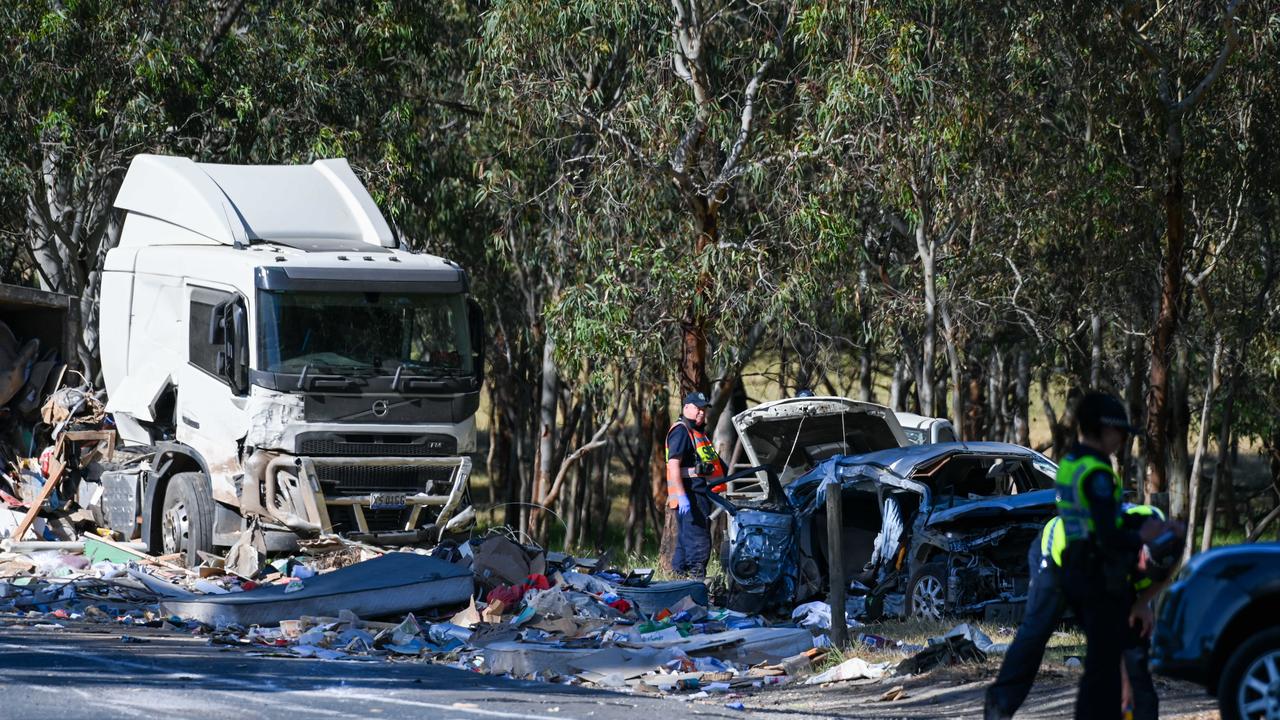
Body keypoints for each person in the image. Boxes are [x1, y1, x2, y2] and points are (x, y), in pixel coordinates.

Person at [984, 503, 1174, 719]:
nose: (1146, 573)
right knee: (1036, 632)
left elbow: (1169, 568)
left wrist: (1144, 602)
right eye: (1144, 566)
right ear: (1139, 549)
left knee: (1136, 649)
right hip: (1058, 556)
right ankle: (998, 709)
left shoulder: (1164, 531)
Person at [1054, 392, 1162, 720]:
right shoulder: (1097, 472)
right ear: (1104, 429)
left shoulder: (1070, 463)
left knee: (1100, 668)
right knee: (1104, 674)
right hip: (1097, 576)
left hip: (1075, 571)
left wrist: (1131, 521)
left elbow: (1100, 519)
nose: (1122, 440)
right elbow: (1107, 533)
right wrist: (1142, 536)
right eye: (1120, 432)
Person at [665, 391, 727, 578]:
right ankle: (697, 583)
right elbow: (674, 465)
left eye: (703, 409)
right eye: (697, 408)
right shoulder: (681, 431)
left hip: (698, 495)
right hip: (690, 496)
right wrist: (683, 497)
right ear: (686, 408)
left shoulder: (696, 433)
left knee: (686, 542)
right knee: (698, 542)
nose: (701, 412)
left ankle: (678, 580)